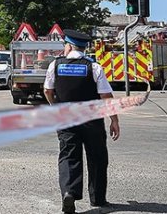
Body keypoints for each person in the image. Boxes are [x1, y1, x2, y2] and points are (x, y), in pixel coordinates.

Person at [43, 29, 120, 214]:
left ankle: (69, 191)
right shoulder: (94, 67)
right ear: (84, 48)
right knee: (97, 158)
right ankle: (98, 198)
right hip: (92, 120)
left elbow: (47, 91)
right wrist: (114, 120)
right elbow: (106, 96)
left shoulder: (55, 65)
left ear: (69, 46)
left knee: (69, 156)